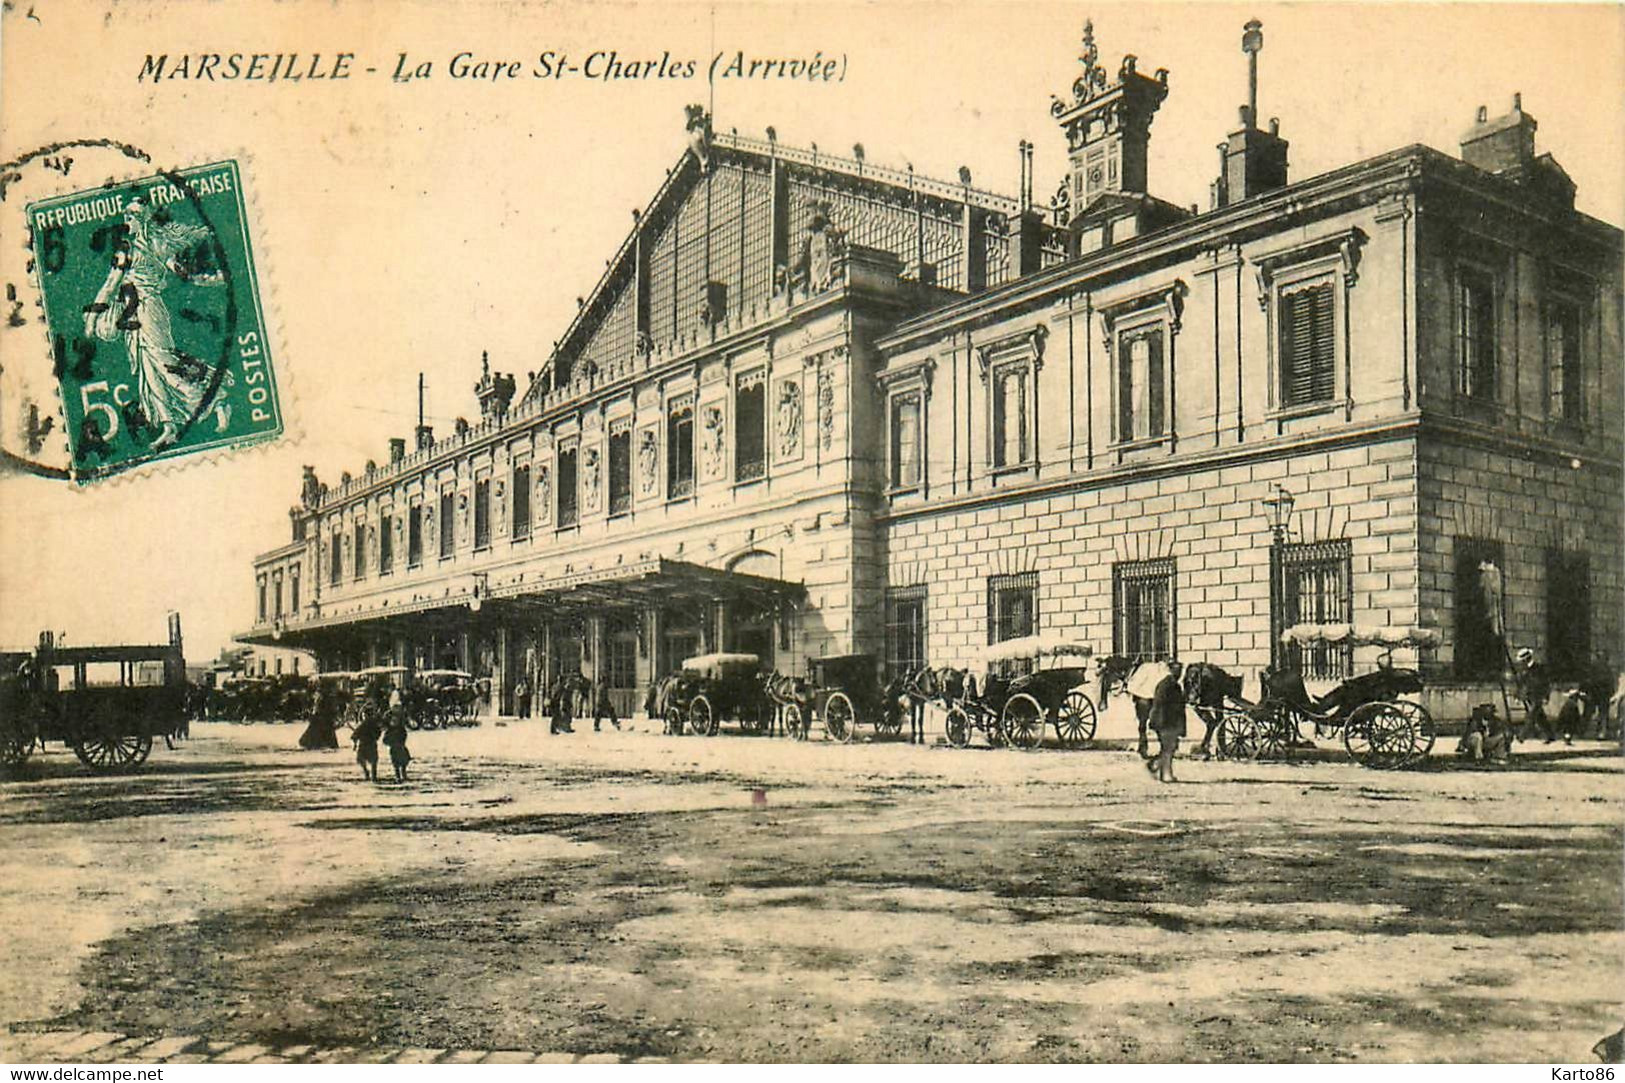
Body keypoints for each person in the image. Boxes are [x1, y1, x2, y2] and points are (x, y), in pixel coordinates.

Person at [1146, 660, 1187, 783]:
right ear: (1171, 670)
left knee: (1170, 748)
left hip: (1171, 721)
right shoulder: (1165, 685)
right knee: (1168, 748)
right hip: (1165, 721)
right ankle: (1166, 775)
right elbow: (1159, 705)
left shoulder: (1174, 685)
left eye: (1180, 671)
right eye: (1177, 670)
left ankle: (1155, 766)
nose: (1179, 673)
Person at [1513, 647, 1551, 742]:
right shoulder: (1523, 670)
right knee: (1540, 717)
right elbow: (1521, 684)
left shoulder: (1539, 668)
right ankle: (1550, 735)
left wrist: (1546, 697)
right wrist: (1517, 696)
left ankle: (1521, 736)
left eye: (1522, 660)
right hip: (1529, 696)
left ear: (1527, 659)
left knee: (1531, 716)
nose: (1521, 663)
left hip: (1538, 696)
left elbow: (1546, 683)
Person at [297, 685, 340, 750]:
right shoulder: (326, 699)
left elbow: (318, 710)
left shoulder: (322, 699)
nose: (315, 695)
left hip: (322, 720)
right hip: (324, 721)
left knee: (318, 733)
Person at [351, 711, 381, 782]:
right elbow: (354, 736)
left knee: (373, 761)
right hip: (363, 745)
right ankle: (366, 772)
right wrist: (355, 744)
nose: (365, 718)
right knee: (361, 760)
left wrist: (375, 736)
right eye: (364, 716)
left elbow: (378, 734)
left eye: (366, 716)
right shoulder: (361, 726)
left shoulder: (374, 725)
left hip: (371, 744)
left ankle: (373, 776)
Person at [382, 711, 412, 782]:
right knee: (396, 764)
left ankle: (404, 774)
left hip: (401, 748)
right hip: (394, 749)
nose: (394, 723)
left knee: (404, 763)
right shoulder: (389, 731)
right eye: (393, 721)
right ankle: (398, 776)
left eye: (396, 721)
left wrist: (401, 743)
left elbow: (404, 736)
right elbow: (385, 740)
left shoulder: (401, 729)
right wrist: (390, 743)